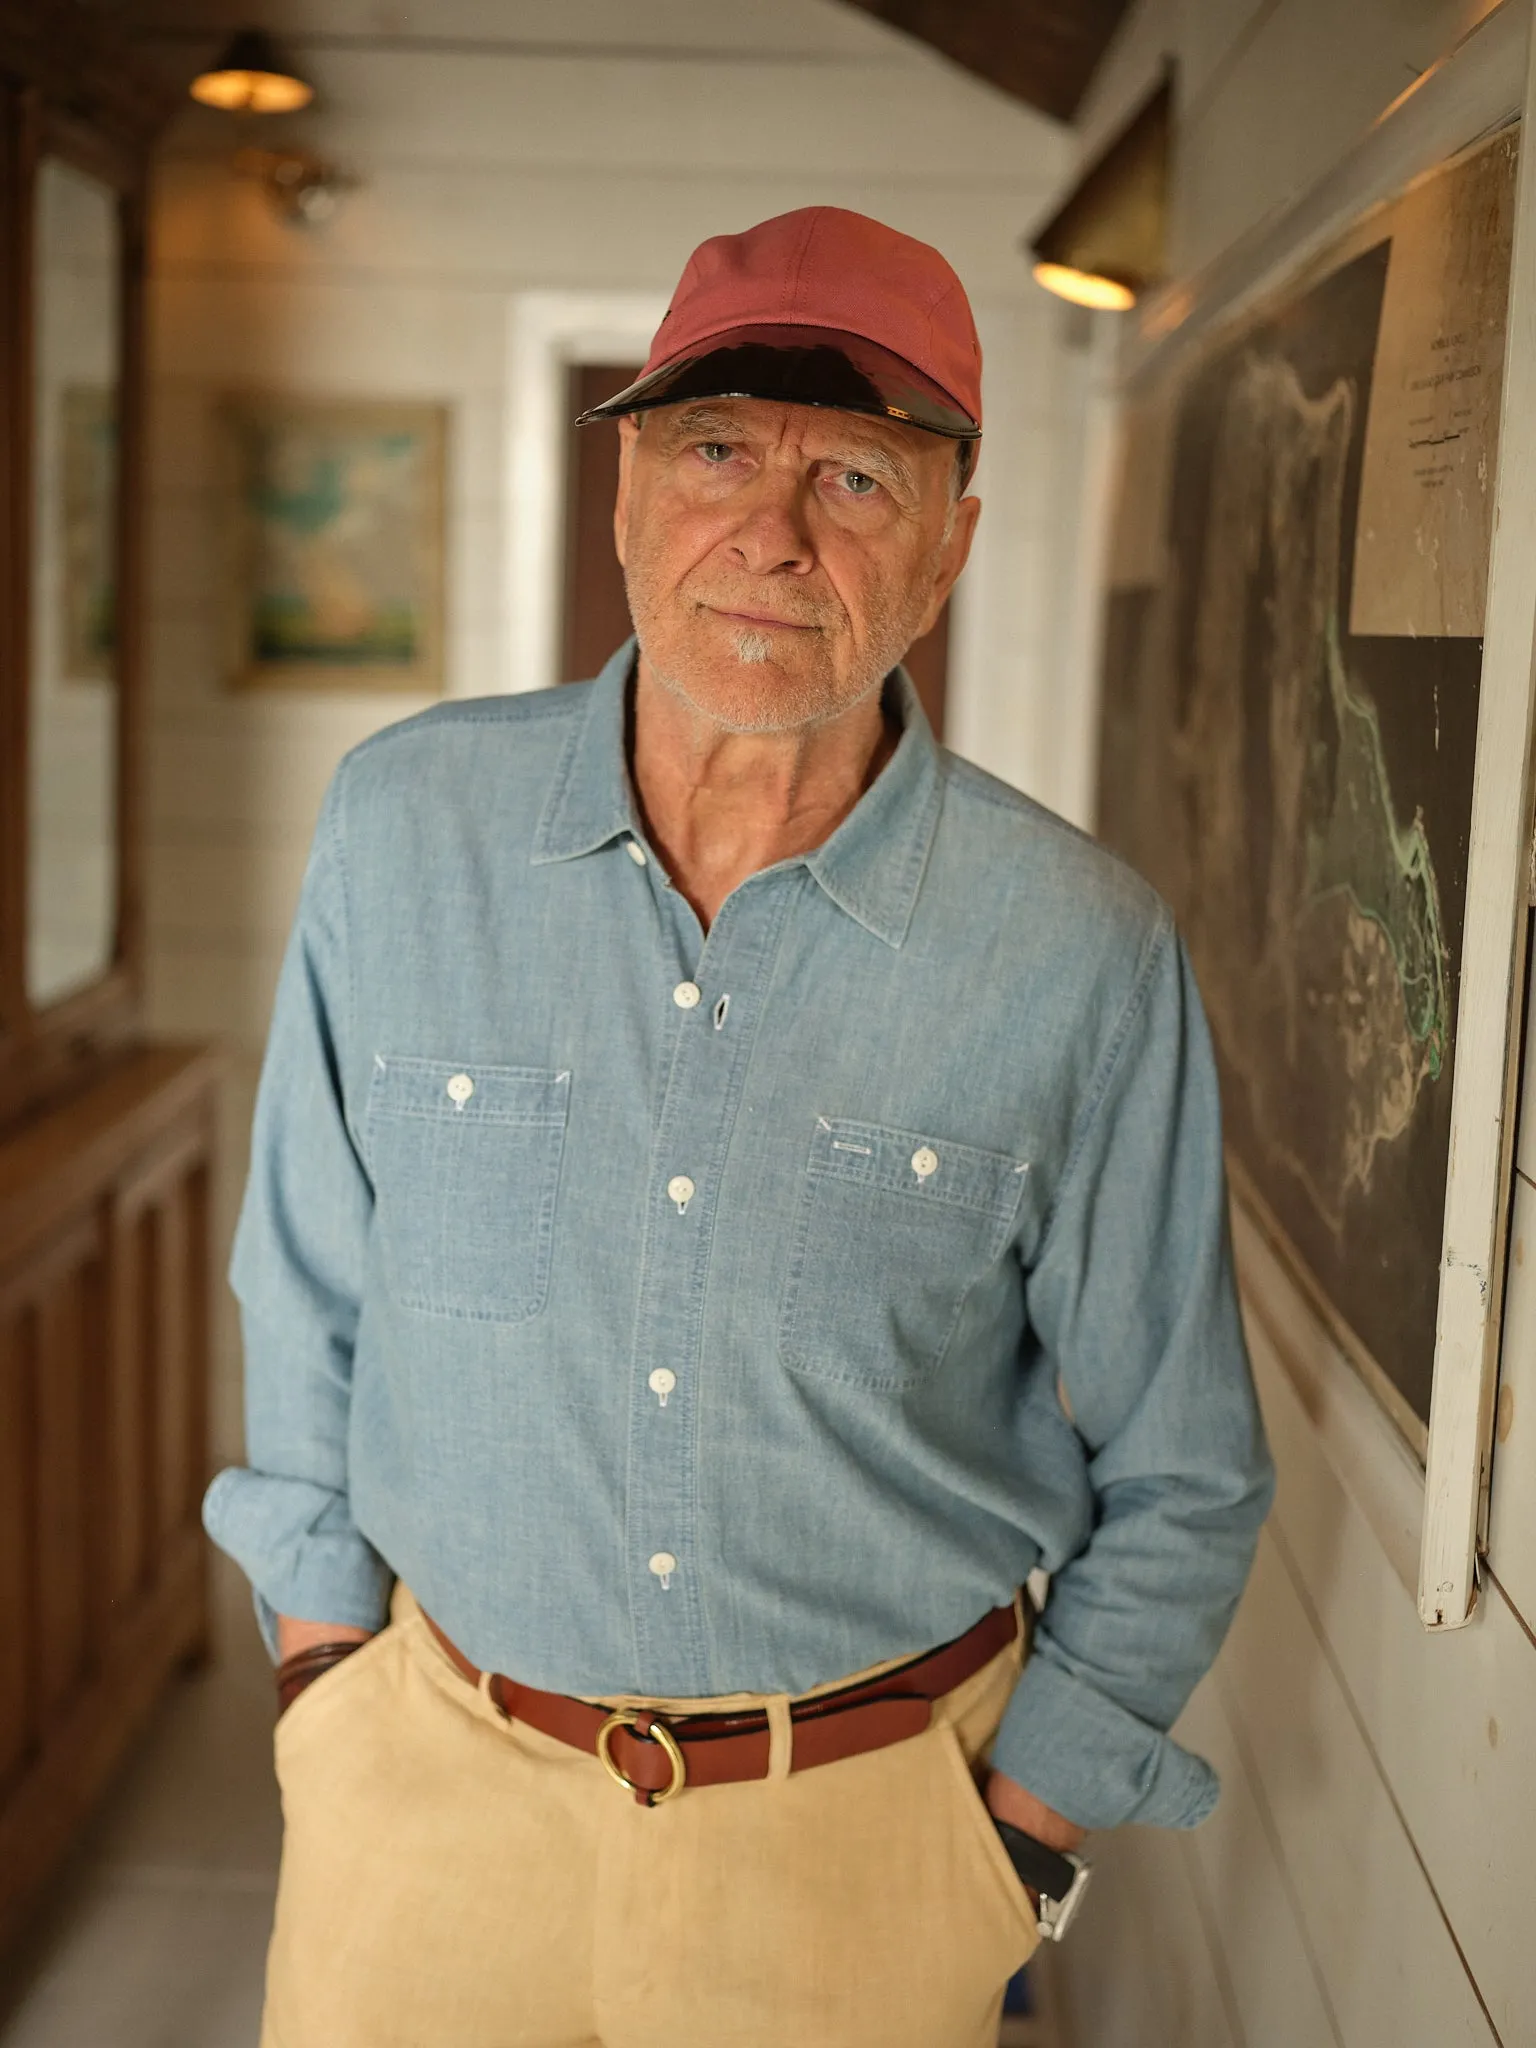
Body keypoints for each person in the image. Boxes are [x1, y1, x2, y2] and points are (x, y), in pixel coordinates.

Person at [205, 206, 1274, 2048]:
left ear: (948, 548)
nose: (768, 536)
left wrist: (1005, 1848)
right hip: (428, 1814)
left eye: (856, 476)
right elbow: (304, 1283)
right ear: (627, 490)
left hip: (866, 1853)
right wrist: (322, 1685)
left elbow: (1190, 1469)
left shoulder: (1082, 956)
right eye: (715, 452)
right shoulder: (403, 829)